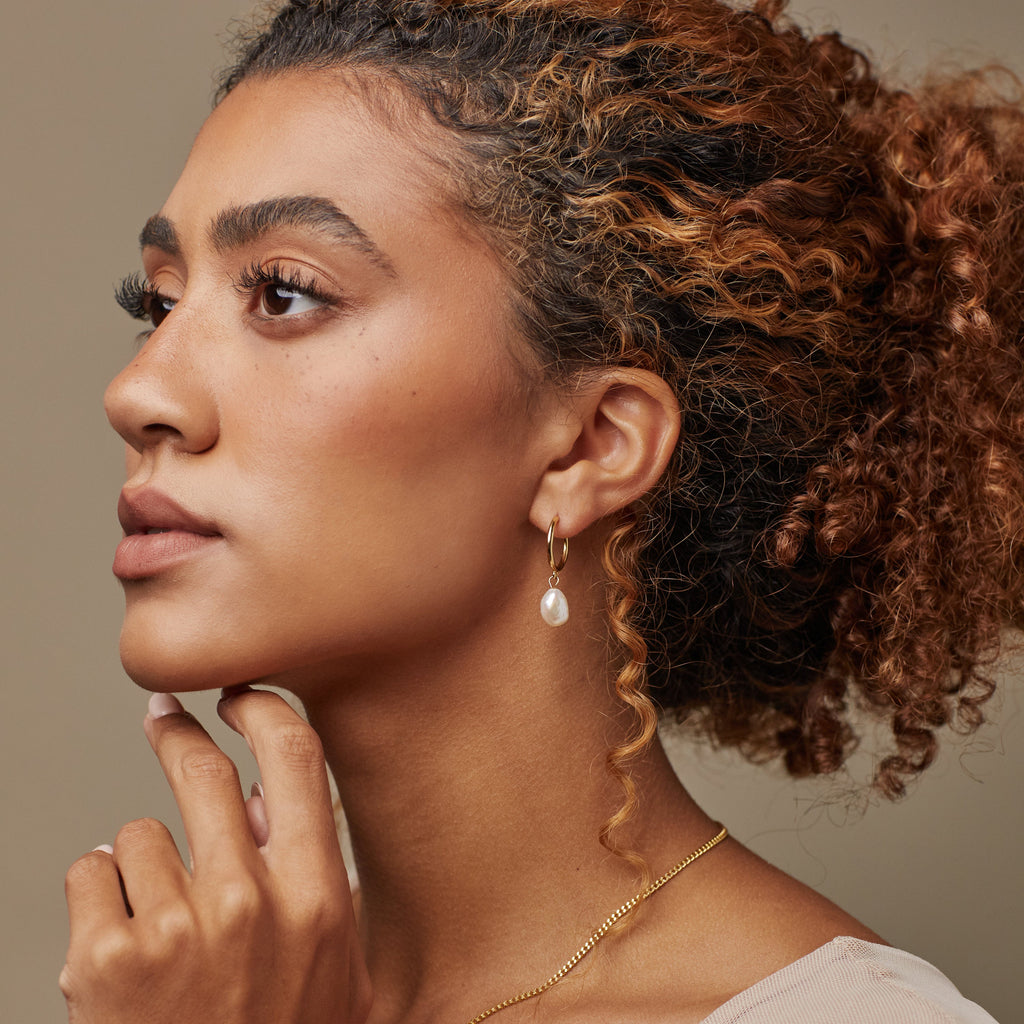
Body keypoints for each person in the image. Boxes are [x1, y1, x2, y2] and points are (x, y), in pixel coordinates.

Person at [60, 0, 1023, 1021]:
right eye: (159, 303)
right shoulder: (221, 985)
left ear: (590, 445)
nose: (138, 391)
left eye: (285, 293)